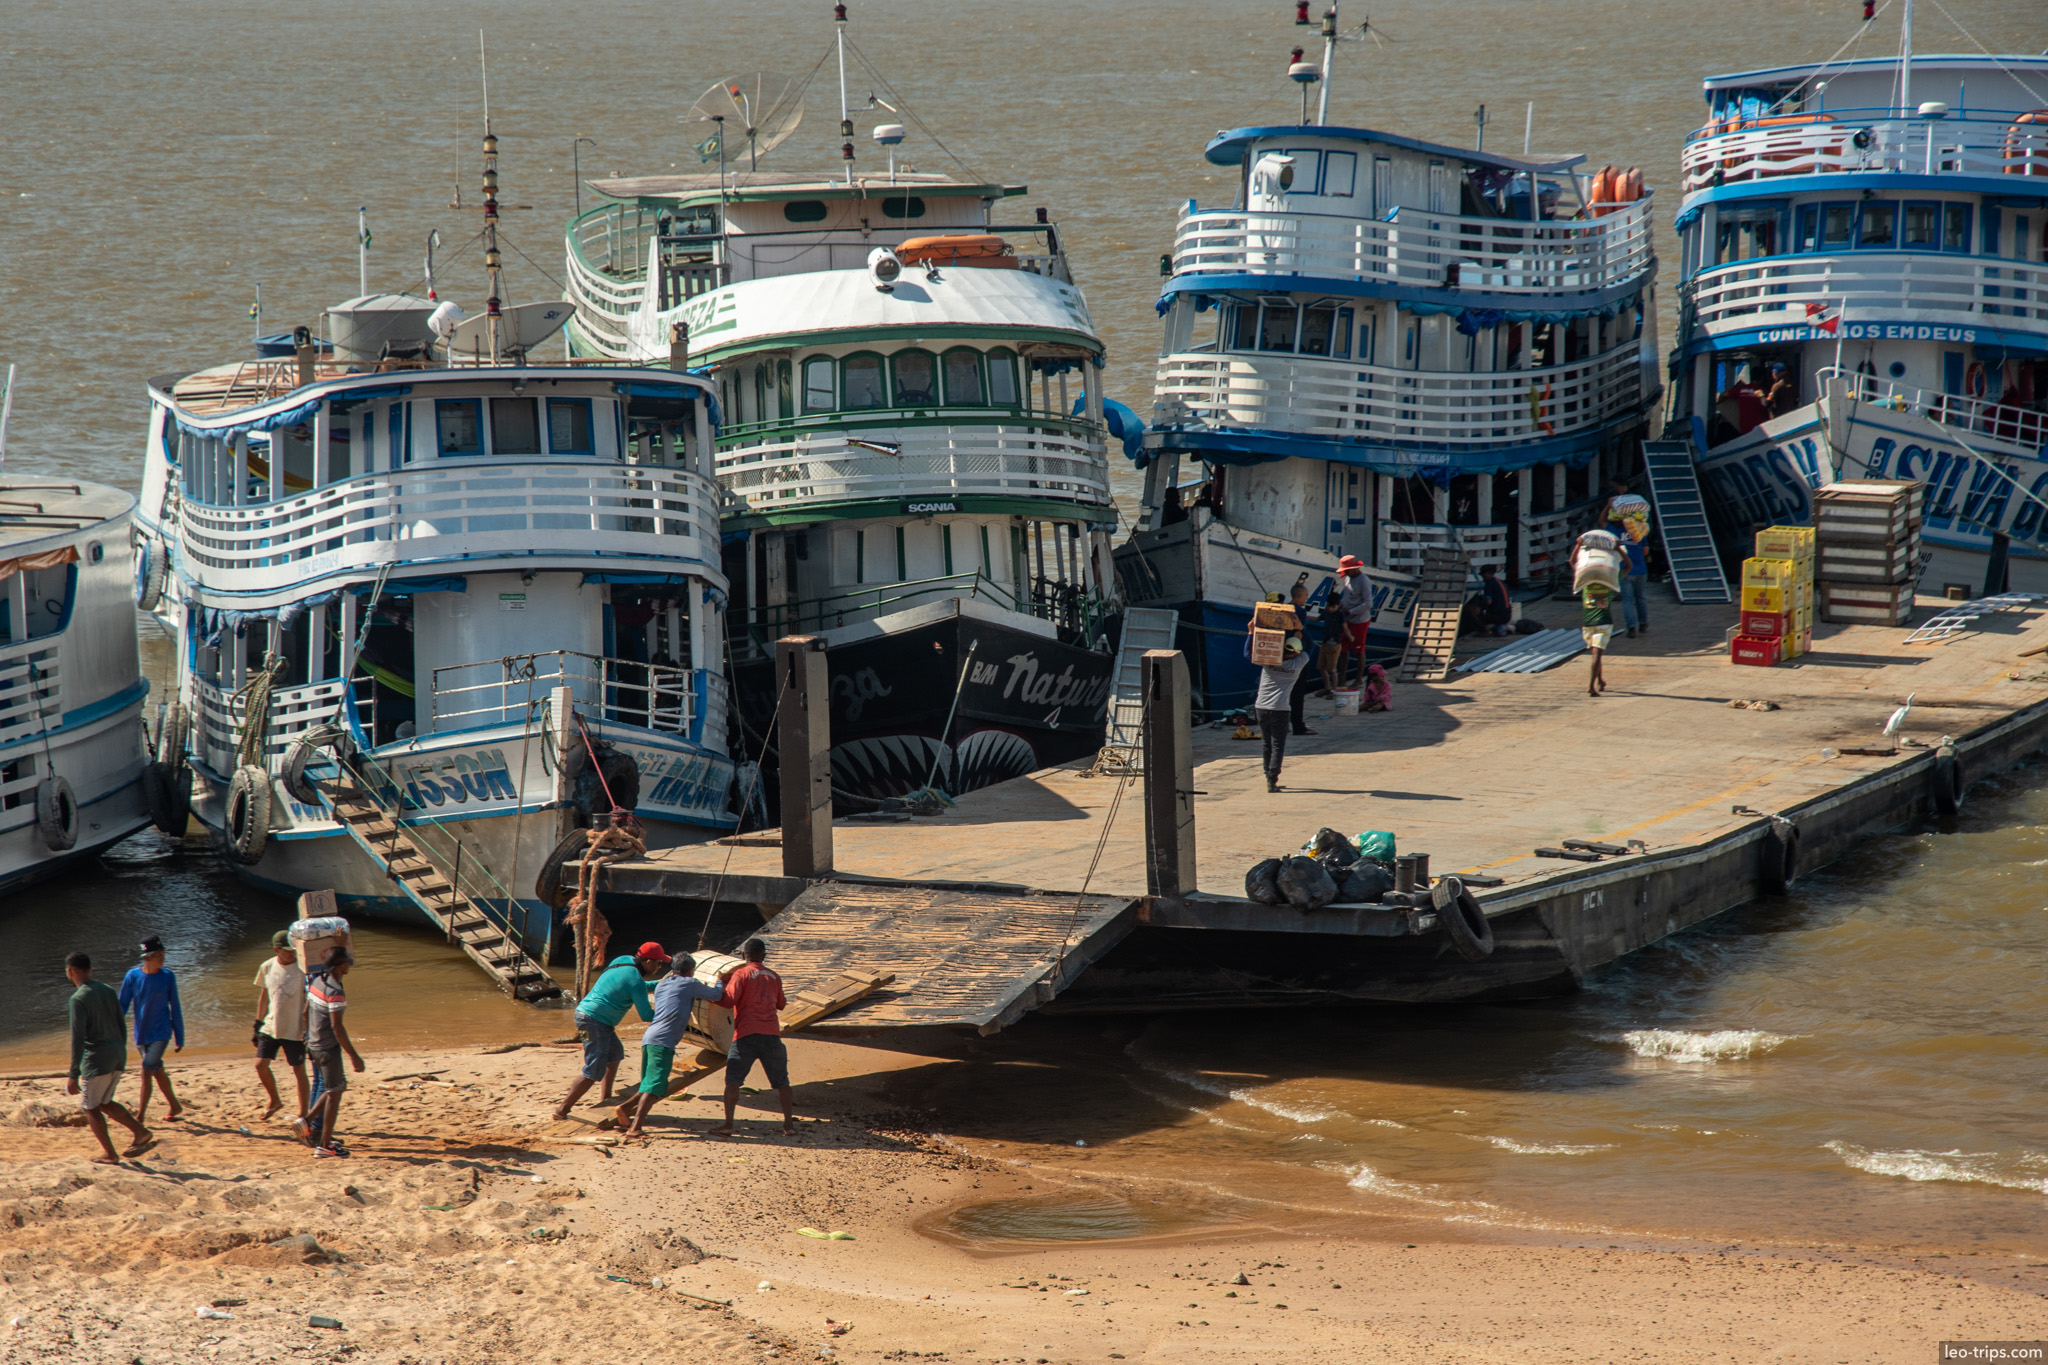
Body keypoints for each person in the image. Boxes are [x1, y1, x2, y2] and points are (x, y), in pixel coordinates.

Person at [618, 954, 727, 1139]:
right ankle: (635, 1128)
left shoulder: (662, 984)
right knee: (654, 1087)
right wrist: (720, 981)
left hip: (650, 1038)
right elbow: (716, 995)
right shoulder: (689, 983)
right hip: (663, 1042)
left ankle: (624, 1108)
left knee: (649, 1084)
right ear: (690, 970)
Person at [553, 942, 666, 1121]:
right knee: (593, 1071)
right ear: (649, 962)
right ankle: (562, 1110)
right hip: (594, 1022)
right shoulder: (635, 981)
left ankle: (605, 1099)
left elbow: (633, 986)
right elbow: (646, 1015)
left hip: (586, 1016)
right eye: (659, 964)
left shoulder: (623, 960)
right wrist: (673, 1014)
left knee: (615, 1055)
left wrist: (661, 984)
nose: (659, 967)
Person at [65, 952, 153, 1165]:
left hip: (97, 1058)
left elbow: (77, 1038)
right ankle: (140, 1133)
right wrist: (120, 1050)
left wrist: (73, 1073)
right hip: (117, 1054)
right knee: (104, 1102)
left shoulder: (78, 999)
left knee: (90, 1106)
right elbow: (120, 1023)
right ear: (91, 969)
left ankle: (110, 1153)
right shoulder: (107, 990)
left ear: (71, 972)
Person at [707, 938, 795, 1138]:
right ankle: (789, 1126)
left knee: (733, 1081)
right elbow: (781, 1004)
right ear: (763, 956)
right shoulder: (774, 976)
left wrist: (717, 985)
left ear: (743, 956)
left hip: (746, 1035)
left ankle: (728, 1125)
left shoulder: (741, 974)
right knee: (783, 1083)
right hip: (772, 1036)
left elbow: (728, 1001)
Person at [295, 947, 363, 1156]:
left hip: (314, 1045)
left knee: (336, 1087)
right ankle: (324, 1145)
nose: (349, 966)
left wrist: (307, 1036)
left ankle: (306, 1121)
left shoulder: (317, 982)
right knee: (335, 1092)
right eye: (347, 963)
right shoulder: (335, 992)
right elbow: (337, 1028)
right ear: (340, 966)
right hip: (327, 1048)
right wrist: (354, 1056)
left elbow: (306, 1011)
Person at [118, 936, 183, 1124]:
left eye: (163, 953)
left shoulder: (168, 976)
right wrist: (113, 1027)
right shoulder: (132, 976)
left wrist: (180, 1035)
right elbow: (122, 1004)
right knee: (157, 1070)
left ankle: (140, 1117)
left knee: (146, 1070)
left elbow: (175, 1006)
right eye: (158, 955)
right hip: (142, 1033)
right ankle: (175, 1106)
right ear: (147, 957)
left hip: (162, 1032)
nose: (162, 958)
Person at [252, 929, 308, 1122]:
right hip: (270, 1026)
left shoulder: (303, 968)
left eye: (293, 949)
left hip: (295, 1028)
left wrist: (308, 1028)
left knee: (299, 1070)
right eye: (286, 950)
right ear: (276, 950)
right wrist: (257, 1025)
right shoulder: (266, 967)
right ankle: (274, 1100)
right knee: (260, 1065)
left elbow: (309, 1000)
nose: (291, 954)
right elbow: (264, 997)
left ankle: (303, 1113)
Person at [1254, 636, 1309, 793]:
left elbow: (1248, 652)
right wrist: (1299, 630)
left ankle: (1267, 776)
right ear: (1296, 652)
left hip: (1261, 707)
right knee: (1278, 745)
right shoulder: (1299, 662)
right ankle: (1272, 779)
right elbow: (1308, 647)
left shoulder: (1268, 661)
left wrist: (1252, 632)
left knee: (1266, 743)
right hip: (1280, 709)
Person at [1602, 477, 1653, 638]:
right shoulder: (1639, 529)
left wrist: (1607, 506)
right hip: (1640, 569)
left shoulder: (1613, 529)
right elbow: (1645, 551)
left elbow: (1601, 521)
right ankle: (1643, 624)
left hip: (1624, 570)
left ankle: (1631, 628)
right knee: (1641, 597)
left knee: (1627, 600)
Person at [1332, 555, 1376, 692]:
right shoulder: (1347, 578)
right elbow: (1346, 598)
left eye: (1348, 570)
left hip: (1360, 621)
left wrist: (1351, 611)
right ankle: (1342, 677)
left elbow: (1368, 604)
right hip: (1347, 619)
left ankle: (1358, 679)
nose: (1346, 573)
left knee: (1359, 650)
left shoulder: (1364, 581)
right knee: (1343, 649)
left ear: (1355, 568)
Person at [1287, 578, 1322, 736]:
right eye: (1306, 595)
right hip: (1298, 654)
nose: (1307, 598)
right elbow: (1300, 633)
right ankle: (1298, 726)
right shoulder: (1299, 611)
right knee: (1297, 693)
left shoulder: (1285, 608)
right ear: (1299, 596)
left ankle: (1285, 723)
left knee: (1285, 693)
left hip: (1285, 654)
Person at [1581, 581, 1614, 696]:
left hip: (1588, 624)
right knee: (1597, 655)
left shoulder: (1585, 584)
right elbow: (1628, 567)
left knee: (1595, 653)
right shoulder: (1609, 583)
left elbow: (1573, 564)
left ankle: (1600, 681)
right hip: (1603, 623)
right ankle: (1591, 686)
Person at [1476, 565, 1513, 636]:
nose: (1483, 578)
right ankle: (1501, 628)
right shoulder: (1499, 581)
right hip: (1507, 614)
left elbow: (1488, 602)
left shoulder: (1489, 584)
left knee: (1477, 615)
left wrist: (1482, 607)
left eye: (1483, 575)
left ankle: (1485, 631)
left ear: (1487, 574)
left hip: (1499, 616)